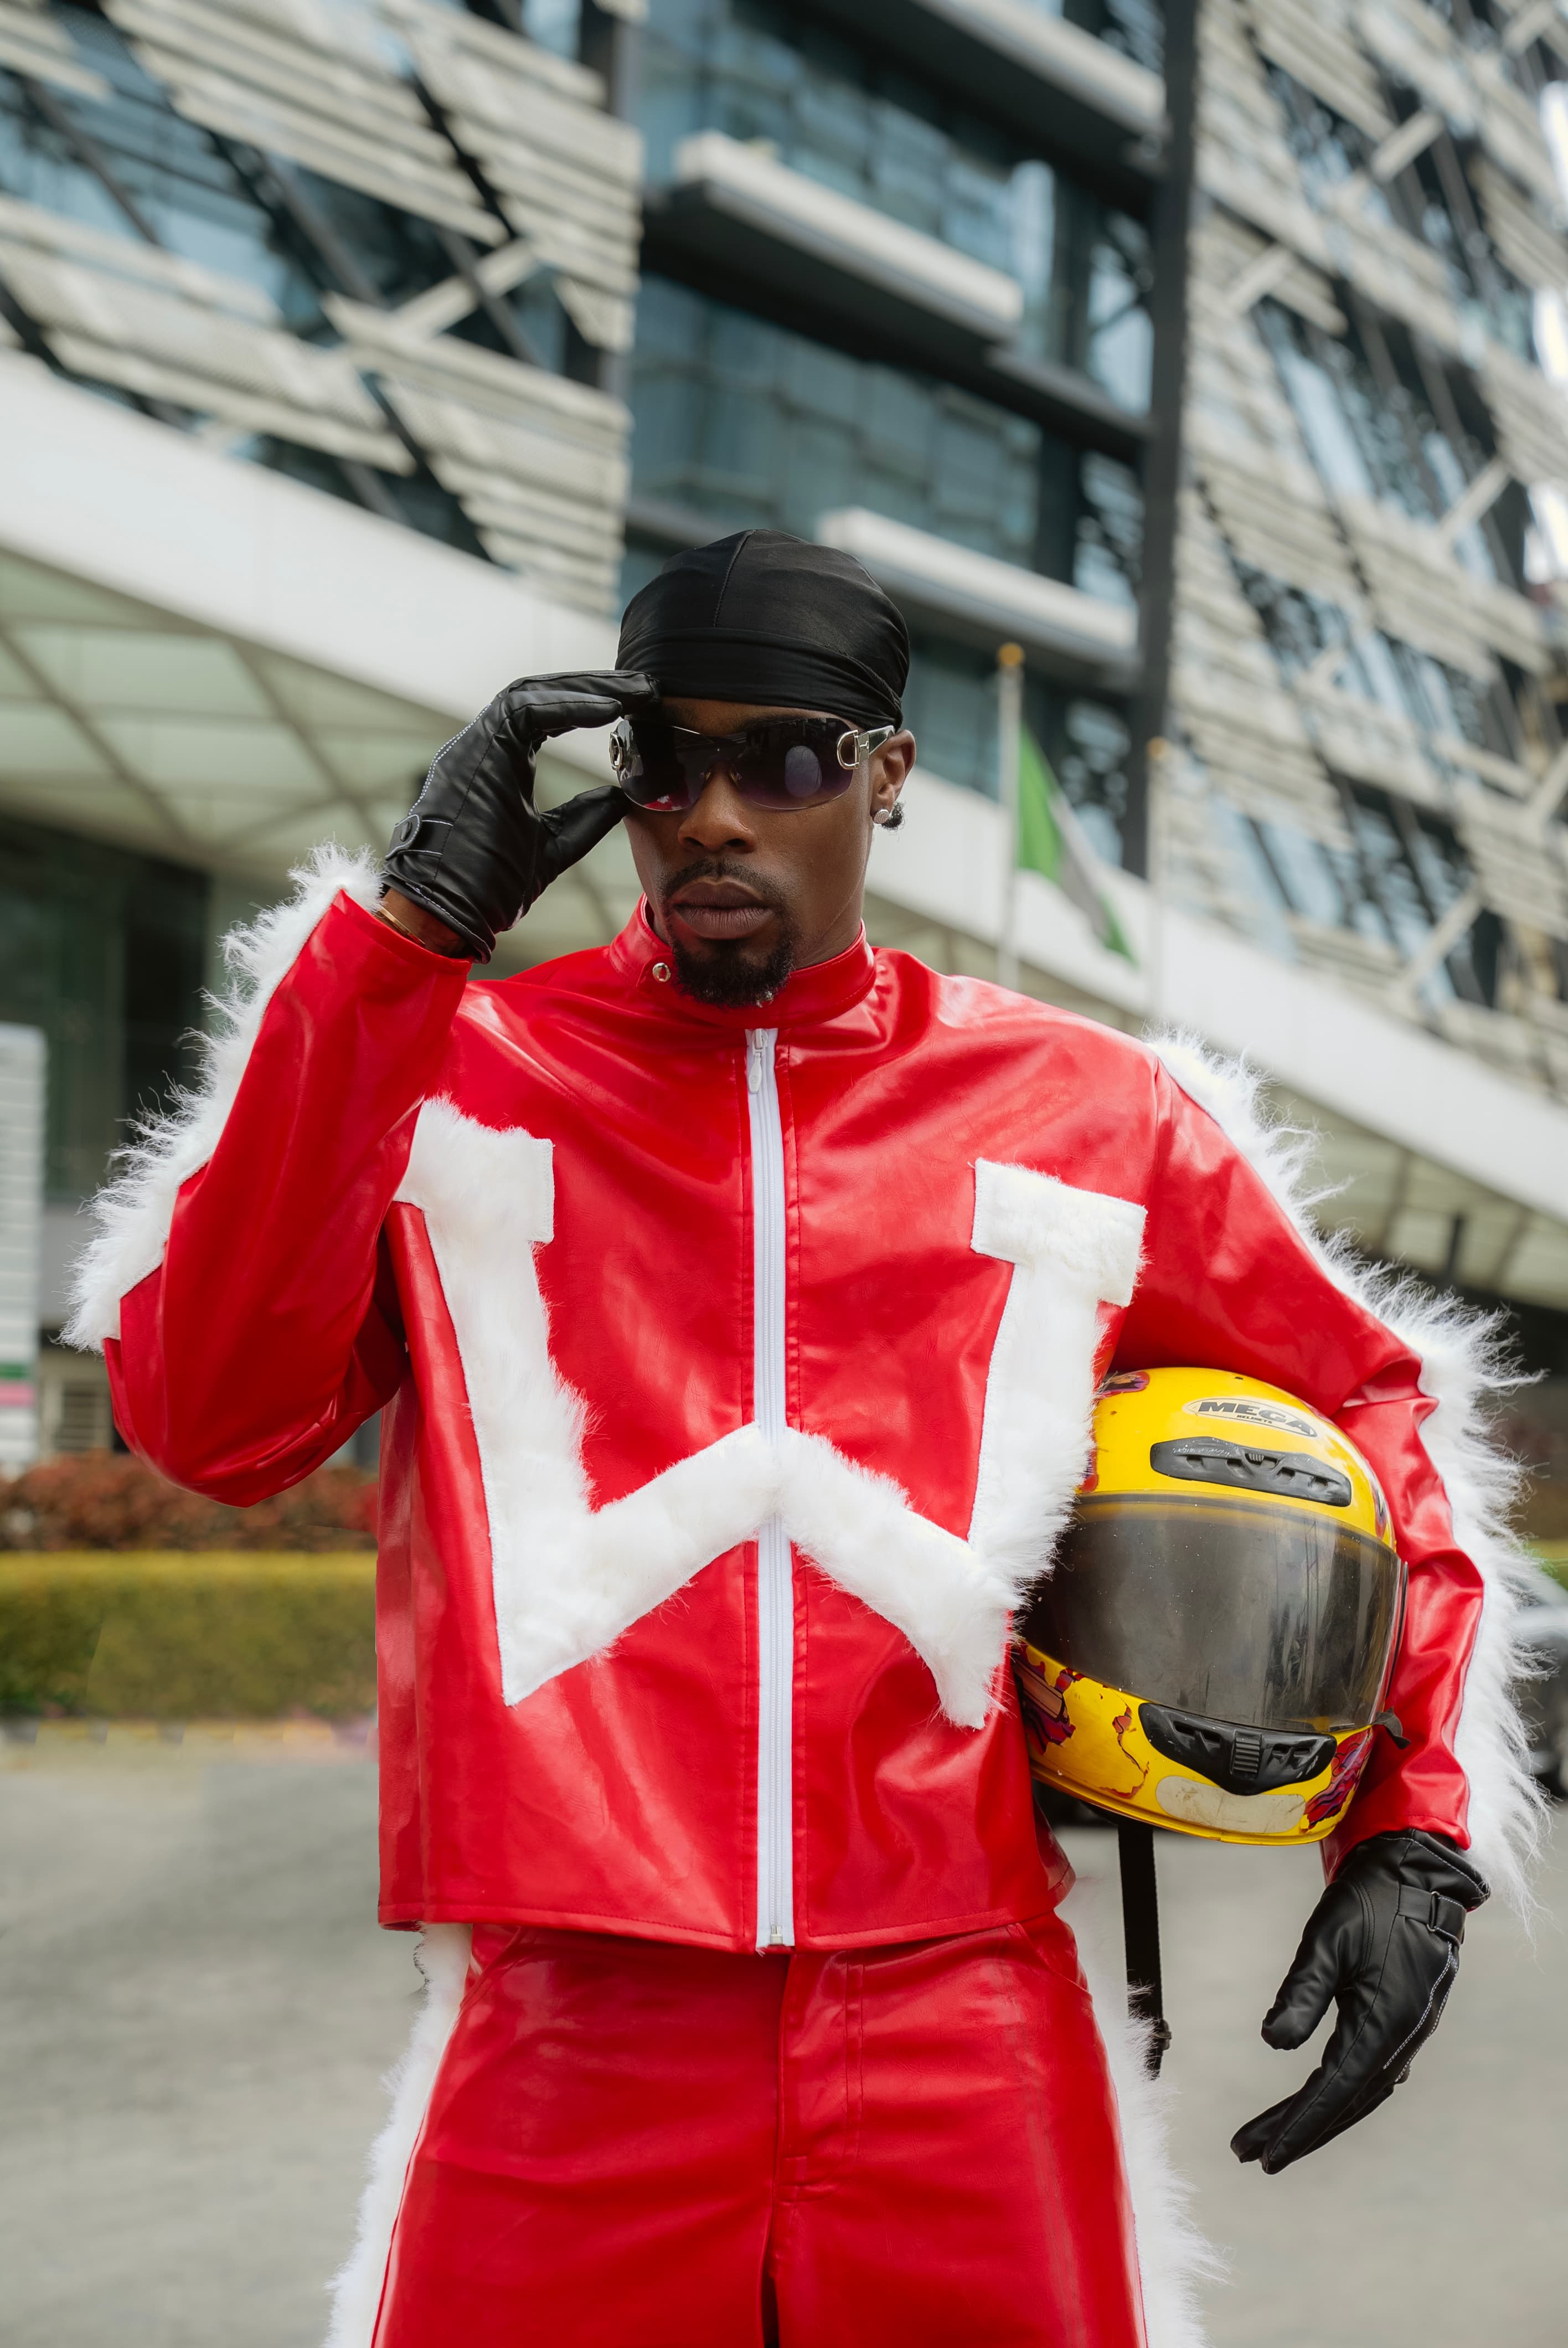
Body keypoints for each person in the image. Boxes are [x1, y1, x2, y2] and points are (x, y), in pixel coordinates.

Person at [68, 532, 1530, 2348]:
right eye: (664, 762)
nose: (712, 816)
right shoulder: (445, 1068)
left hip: (962, 2018)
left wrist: (1410, 1830)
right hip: (567, 2030)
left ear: (887, 774)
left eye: (784, 760)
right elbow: (211, 1419)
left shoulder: (1091, 1111)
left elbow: (1368, 1405)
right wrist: (398, 953)